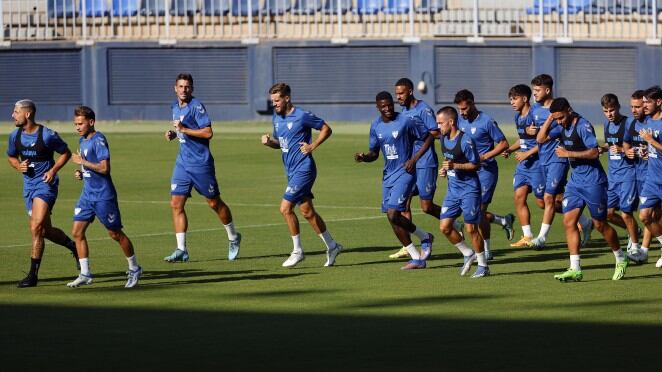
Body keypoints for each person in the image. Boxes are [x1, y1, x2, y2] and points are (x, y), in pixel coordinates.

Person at [539, 98, 627, 282]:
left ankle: (620, 257)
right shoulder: (559, 124)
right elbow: (540, 139)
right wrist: (550, 119)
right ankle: (575, 268)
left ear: (569, 110)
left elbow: (594, 152)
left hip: (594, 182)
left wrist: (568, 153)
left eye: (561, 117)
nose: (559, 122)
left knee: (600, 224)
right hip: (575, 183)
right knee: (569, 222)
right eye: (556, 119)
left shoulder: (583, 126)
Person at [261, 83, 342, 268]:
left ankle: (297, 251)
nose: (274, 104)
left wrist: (312, 146)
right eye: (272, 101)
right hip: (290, 171)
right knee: (307, 212)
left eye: (277, 100)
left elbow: (326, 129)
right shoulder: (276, 117)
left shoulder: (302, 116)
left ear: (287, 98)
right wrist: (269, 142)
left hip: (304, 169)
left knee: (285, 208)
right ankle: (333, 246)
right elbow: (281, 144)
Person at [164, 73, 241, 263]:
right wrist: (174, 134)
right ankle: (181, 249)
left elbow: (208, 133)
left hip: (200, 163)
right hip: (182, 162)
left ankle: (233, 237)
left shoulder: (196, 106)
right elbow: (182, 129)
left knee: (214, 203)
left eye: (187, 87)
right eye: (181, 86)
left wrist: (184, 129)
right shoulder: (175, 107)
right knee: (176, 204)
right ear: (175, 88)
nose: (184, 90)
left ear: (192, 89)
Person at [354, 91, 434, 270]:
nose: (388, 108)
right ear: (377, 107)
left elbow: (428, 136)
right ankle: (420, 249)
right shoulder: (375, 126)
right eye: (383, 106)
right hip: (388, 176)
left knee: (393, 213)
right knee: (393, 219)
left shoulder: (406, 120)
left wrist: (414, 159)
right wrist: (364, 157)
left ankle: (421, 246)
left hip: (406, 173)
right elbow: (374, 153)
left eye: (390, 104)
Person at [66, 106, 142, 288]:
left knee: (115, 233)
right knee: (77, 232)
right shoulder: (82, 140)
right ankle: (85, 273)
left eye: (80, 123)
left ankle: (134, 268)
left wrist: (82, 162)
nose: (77, 127)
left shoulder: (98, 140)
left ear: (91, 122)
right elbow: (91, 169)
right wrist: (82, 173)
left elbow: (104, 168)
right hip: (87, 195)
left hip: (103, 196)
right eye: (75, 124)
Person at [7, 99, 79, 288]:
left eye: (16, 112)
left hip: (45, 186)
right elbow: (11, 156)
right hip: (28, 188)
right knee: (45, 230)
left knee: (36, 228)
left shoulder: (47, 135)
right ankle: (73, 246)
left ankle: (33, 275)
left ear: (27, 114)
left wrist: (53, 170)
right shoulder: (15, 136)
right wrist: (17, 165)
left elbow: (66, 153)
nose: (12, 115)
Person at [528, 74, 592, 249]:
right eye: (533, 90)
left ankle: (541, 237)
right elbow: (533, 132)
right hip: (542, 159)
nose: (534, 93)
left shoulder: (561, 110)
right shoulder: (534, 109)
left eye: (537, 90)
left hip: (558, 158)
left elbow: (570, 126)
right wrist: (530, 129)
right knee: (549, 200)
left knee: (549, 197)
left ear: (547, 90)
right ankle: (586, 222)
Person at [454, 89, 513, 260]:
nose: (462, 113)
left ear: (472, 103)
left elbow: (503, 143)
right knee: (471, 211)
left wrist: (485, 156)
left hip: (486, 171)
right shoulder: (459, 121)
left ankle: (486, 250)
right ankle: (502, 221)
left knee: (478, 211)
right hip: (467, 172)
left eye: (464, 109)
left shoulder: (486, 121)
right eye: (459, 109)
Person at [436, 106, 490, 277]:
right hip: (453, 191)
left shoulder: (466, 141)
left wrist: (455, 166)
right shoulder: (443, 138)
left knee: (471, 229)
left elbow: (476, 164)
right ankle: (468, 253)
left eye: (440, 123)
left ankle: (483, 266)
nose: (438, 126)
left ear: (451, 122)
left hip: (469, 190)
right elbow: (448, 157)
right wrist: (445, 169)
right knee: (444, 227)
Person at [389, 78, 440, 260]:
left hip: (425, 161)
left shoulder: (423, 109)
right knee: (404, 203)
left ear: (410, 91)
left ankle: (453, 222)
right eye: (396, 94)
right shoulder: (404, 111)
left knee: (426, 207)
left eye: (401, 93)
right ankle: (408, 245)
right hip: (409, 163)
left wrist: (416, 156)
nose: (398, 97)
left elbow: (435, 133)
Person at [597, 94, 640, 258]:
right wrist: (604, 148)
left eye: (612, 110)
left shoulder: (629, 123)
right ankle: (634, 231)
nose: (609, 114)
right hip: (612, 177)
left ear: (618, 107)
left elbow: (639, 147)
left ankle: (635, 246)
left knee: (626, 213)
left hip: (628, 175)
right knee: (607, 213)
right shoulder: (607, 125)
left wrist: (622, 150)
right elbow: (611, 143)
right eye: (606, 111)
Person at [502, 85, 545, 248]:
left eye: (515, 99)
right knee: (519, 197)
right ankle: (527, 236)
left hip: (537, 164)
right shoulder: (517, 117)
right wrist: (509, 149)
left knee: (543, 202)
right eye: (511, 99)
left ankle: (581, 220)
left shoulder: (536, 115)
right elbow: (522, 140)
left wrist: (527, 154)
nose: (512, 102)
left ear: (525, 99)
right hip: (523, 166)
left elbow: (544, 141)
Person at [635, 86, 662, 268]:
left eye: (648, 102)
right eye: (643, 102)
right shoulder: (648, 123)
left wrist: (651, 141)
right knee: (644, 215)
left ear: (659, 102)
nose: (644, 106)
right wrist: (646, 150)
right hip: (652, 179)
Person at [627, 89, 654, 263]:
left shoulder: (654, 122)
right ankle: (642, 249)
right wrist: (627, 150)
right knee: (648, 215)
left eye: (639, 106)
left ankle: (642, 249)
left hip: (654, 175)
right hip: (639, 173)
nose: (635, 110)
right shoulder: (632, 123)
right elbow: (626, 142)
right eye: (633, 106)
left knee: (649, 214)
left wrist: (650, 149)